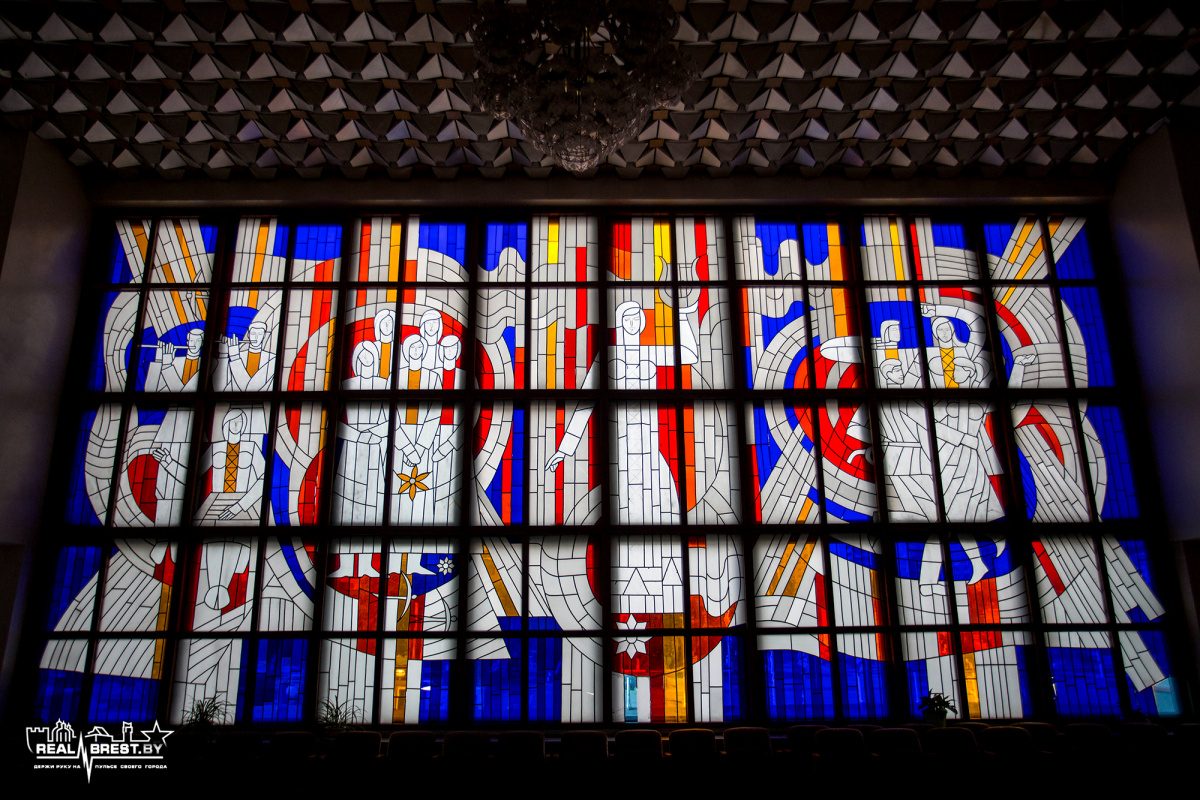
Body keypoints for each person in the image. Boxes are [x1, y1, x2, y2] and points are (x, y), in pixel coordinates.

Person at [548, 294, 699, 524]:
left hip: (649, 444)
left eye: (636, 318)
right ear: (619, 323)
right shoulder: (607, 357)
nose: (632, 323)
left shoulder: (650, 352)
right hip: (620, 445)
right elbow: (586, 403)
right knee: (623, 502)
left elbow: (689, 354)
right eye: (626, 319)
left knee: (661, 500)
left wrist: (683, 315)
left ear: (642, 321)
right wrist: (565, 448)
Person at [194, 407, 266, 523]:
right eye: (233, 421)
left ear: (244, 425)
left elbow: (266, 478)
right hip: (215, 501)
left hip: (242, 502)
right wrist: (169, 463)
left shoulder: (251, 447)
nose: (236, 425)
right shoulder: (215, 448)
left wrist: (240, 505)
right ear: (226, 423)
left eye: (240, 422)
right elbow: (193, 475)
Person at [219, 319, 275, 391]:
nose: (256, 337)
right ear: (248, 335)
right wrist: (223, 355)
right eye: (253, 333)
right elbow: (223, 386)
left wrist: (235, 357)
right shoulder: (239, 354)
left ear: (264, 336)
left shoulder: (272, 359)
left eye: (260, 334)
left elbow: (250, 388)